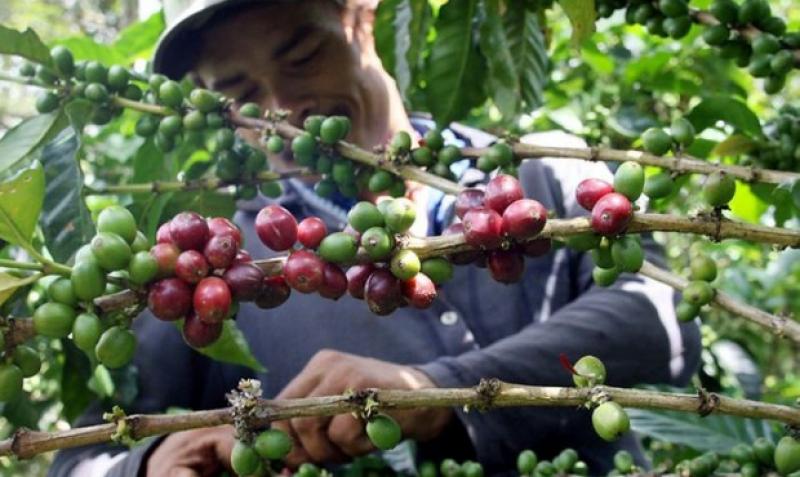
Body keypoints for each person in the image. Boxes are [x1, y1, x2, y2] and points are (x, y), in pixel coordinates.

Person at [50, 0, 702, 475]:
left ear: (361, 17)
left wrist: (435, 387)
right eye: (241, 94)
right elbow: (79, 453)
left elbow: (662, 325)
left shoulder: (540, 171)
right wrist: (146, 462)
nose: (281, 107)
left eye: (303, 56)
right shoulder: (222, 267)